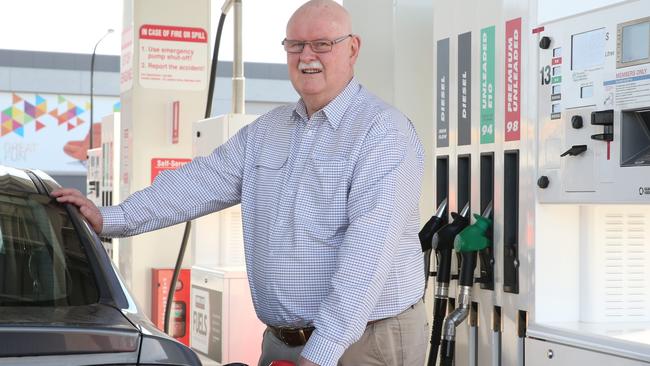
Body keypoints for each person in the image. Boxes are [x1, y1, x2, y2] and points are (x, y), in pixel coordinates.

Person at [52, 1, 428, 365]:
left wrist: (322, 351)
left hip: (365, 342)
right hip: (284, 341)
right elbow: (198, 182)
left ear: (352, 49)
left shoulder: (382, 133)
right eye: (295, 45)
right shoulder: (268, 131)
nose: (306, 55)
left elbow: (369, 253)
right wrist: (111, 217)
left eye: (322, 44)